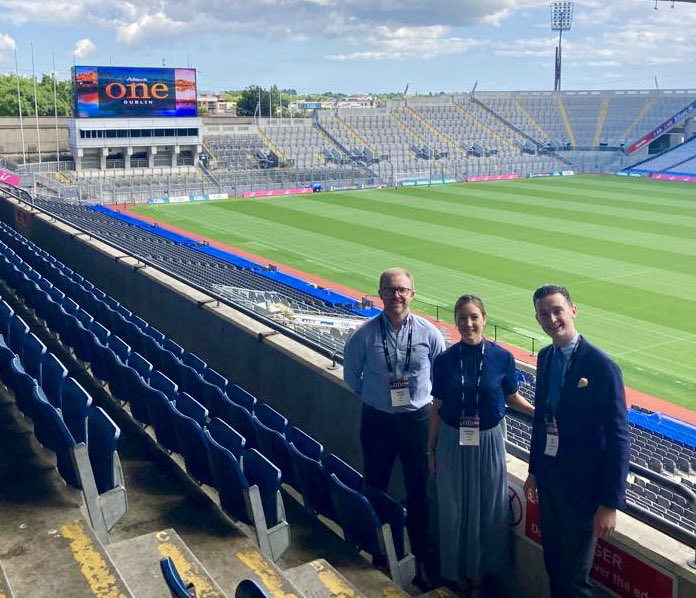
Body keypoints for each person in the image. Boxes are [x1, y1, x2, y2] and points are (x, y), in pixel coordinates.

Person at [343, 267, 446, 590]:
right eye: (390, 289)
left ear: (412, 295)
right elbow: (352, 376)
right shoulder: (364, 335)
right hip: (377, 420)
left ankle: (421, 558)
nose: (396, 295)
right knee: (375, 486)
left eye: (402, 290)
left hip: (416, 422)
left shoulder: (429, 334)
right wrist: (377, 400)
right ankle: (379, 552)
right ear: (381, 294)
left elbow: (439, 377)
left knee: (419, 493)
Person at [524, 284, 629, 597]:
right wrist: (534, 470)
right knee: (553, 566)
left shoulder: (602, 366)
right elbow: (542, 419)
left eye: (557, 310)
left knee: (574, 580)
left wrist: (611, 503)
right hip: (551, 483)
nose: (552, 318)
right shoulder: (545, 357)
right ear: (537, 319)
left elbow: (619, 437)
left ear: (573, 310)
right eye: (544, 313)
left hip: (584, 493)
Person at [427, 295, 534, 596]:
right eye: (462, 317)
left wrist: (539, 414)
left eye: (474, 317)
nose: (468, 323)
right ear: (456, 321)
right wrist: (431, 450)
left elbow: (511, 398)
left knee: (488, 509)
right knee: (453, 508)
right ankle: (455, 573)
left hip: (488, 441)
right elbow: (437, 406)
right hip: (451, 439)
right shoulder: (445, 360)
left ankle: (478, 578)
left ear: (485, 319)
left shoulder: (502, 358)